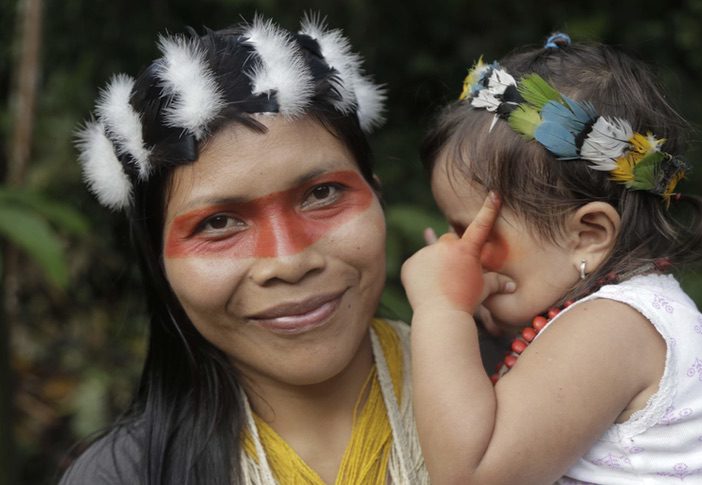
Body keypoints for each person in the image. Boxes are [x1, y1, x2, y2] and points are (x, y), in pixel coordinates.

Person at [61, 15, 428, 485]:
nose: (289, 261)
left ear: (377, 197)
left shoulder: (521, 382)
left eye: (322, 194)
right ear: (160, 263)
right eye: (218, 223)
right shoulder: (123, 476)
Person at [401, 32, 702, 484]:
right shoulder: (617, 320)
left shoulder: (613, 327)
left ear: (589, 235)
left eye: (470, 232)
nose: (454, 253)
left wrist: (441, 310)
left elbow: (470, 476)